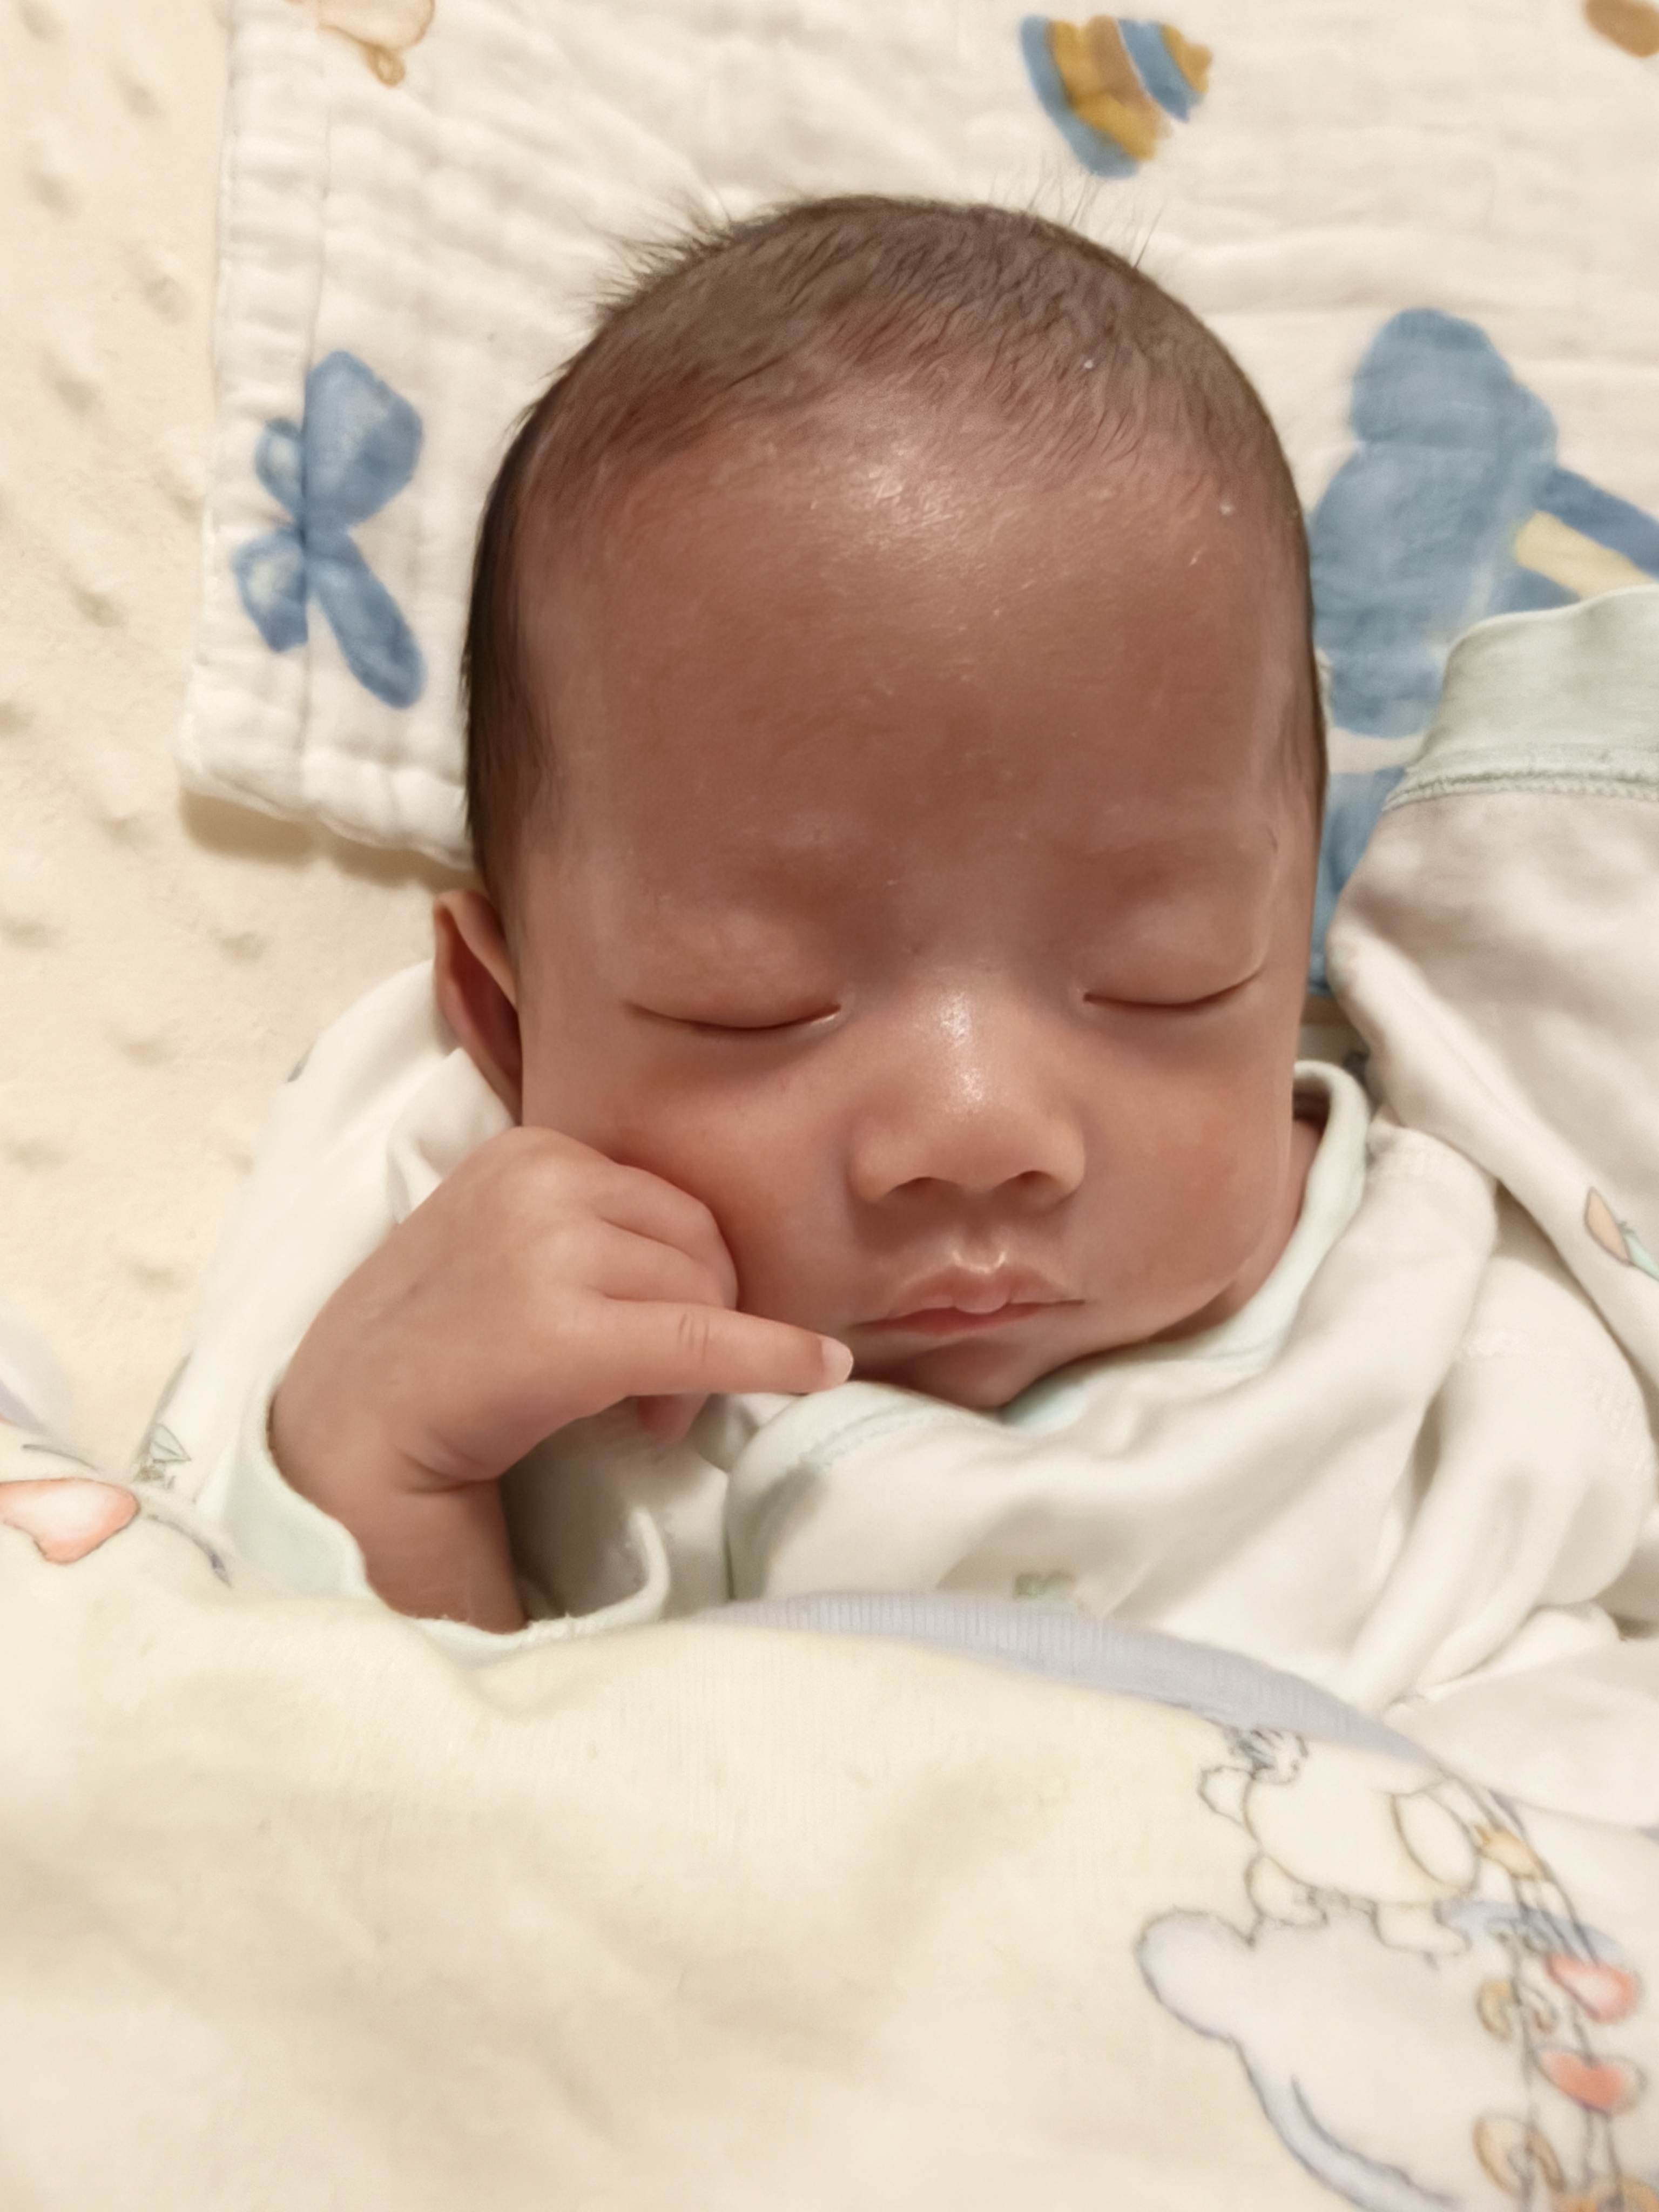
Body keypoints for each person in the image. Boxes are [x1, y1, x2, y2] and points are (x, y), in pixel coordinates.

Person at [151, 199, 1659, 1822]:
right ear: (506, 1025)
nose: (977, 1128)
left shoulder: (1454, 1279)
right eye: (757, 1003)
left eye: (1163, 975)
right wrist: (384, 1469)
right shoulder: (473, 1275)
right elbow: (340, 1809)